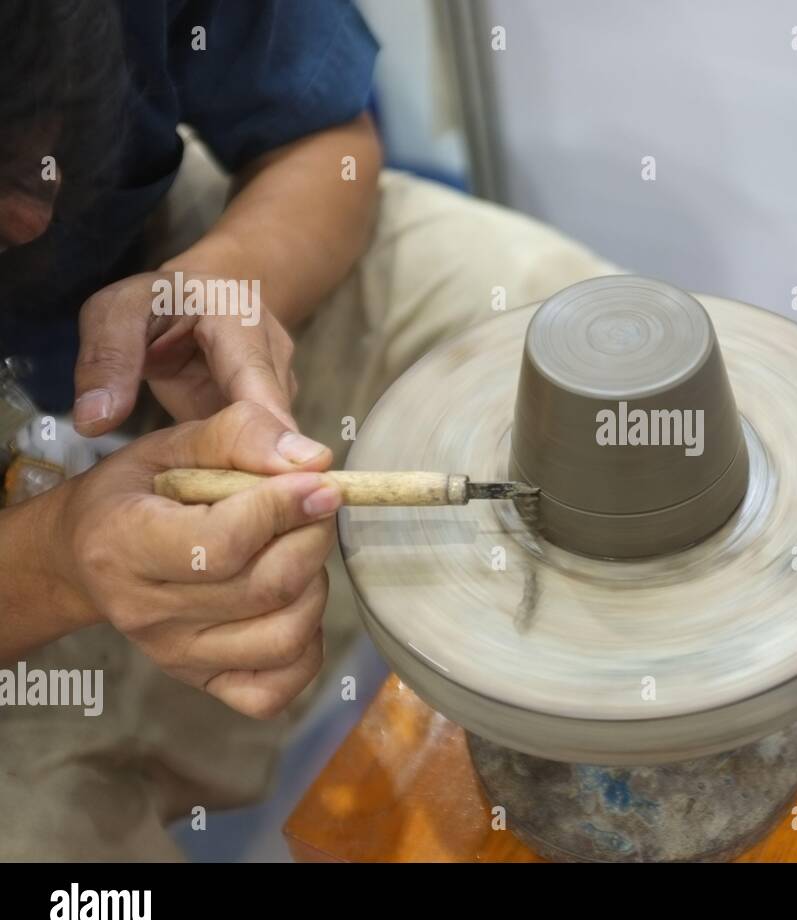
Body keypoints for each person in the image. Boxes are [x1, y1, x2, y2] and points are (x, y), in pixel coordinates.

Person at [0, 0, 612, 859]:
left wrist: (230, 278)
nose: (29, 220)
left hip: (152, 282)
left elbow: (324, 142)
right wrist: (56, 559)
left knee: (560, 340)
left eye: (32, 142)